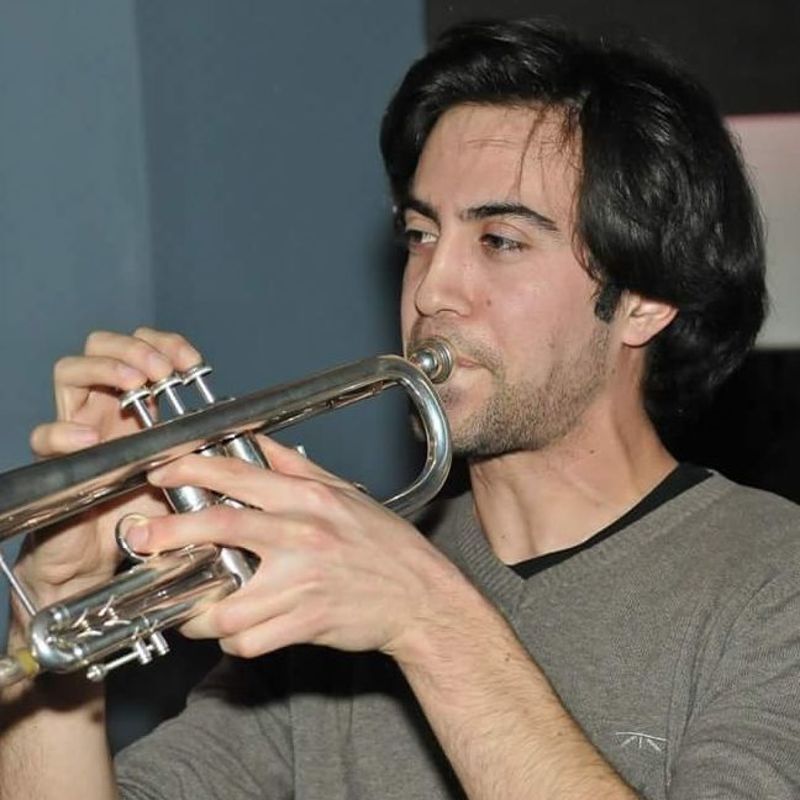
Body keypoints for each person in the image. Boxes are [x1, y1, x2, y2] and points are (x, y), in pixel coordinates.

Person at [2, 17, 799, 800]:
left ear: (644, 300)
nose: (432, 288)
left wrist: (428, 620)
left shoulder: (773, 581)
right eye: (420, 234)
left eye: (500, 240)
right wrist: (58, 598)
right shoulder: (340, 578)